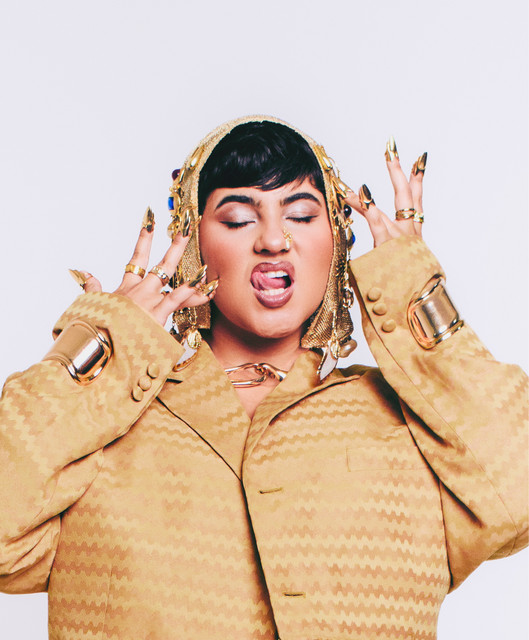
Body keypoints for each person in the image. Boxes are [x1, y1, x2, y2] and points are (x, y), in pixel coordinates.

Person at [0, 115, 527, 640]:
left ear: (336, 241)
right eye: (237, 220)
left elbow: (517, 495)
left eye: (301, 215)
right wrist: (106, 340)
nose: (274, 239)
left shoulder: (407, 425)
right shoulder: (107, 423)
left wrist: (414, 294)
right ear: (192, 243)